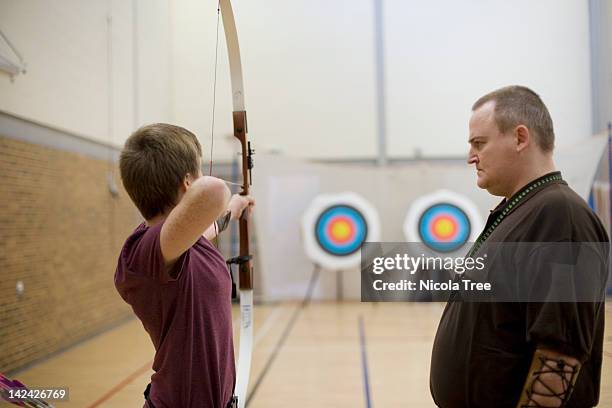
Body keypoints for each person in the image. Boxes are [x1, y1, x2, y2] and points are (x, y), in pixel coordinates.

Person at [429, 86, 608, 408]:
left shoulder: (559, 216)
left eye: (479, 144)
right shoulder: (523, 209)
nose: (472, 156)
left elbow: (559, 356)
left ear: (520, 138)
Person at [114, 123, 254, 408]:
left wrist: (235, 208)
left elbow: (208, 225)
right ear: (188, 183)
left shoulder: (179, 244)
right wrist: (206, 190)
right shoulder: (144, 253)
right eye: (198, 171)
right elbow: (213, 190)